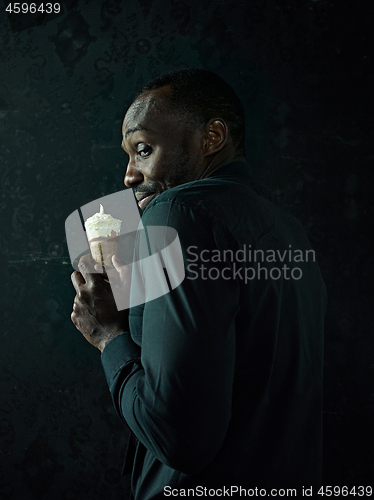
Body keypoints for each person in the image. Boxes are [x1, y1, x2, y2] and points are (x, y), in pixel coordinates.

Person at [70, 68, 326, 499]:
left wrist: (108, 333)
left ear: (211, 138)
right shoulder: (286, 228)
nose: (129, 175)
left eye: (144, 149)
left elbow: (179, 440)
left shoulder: (176, 213)